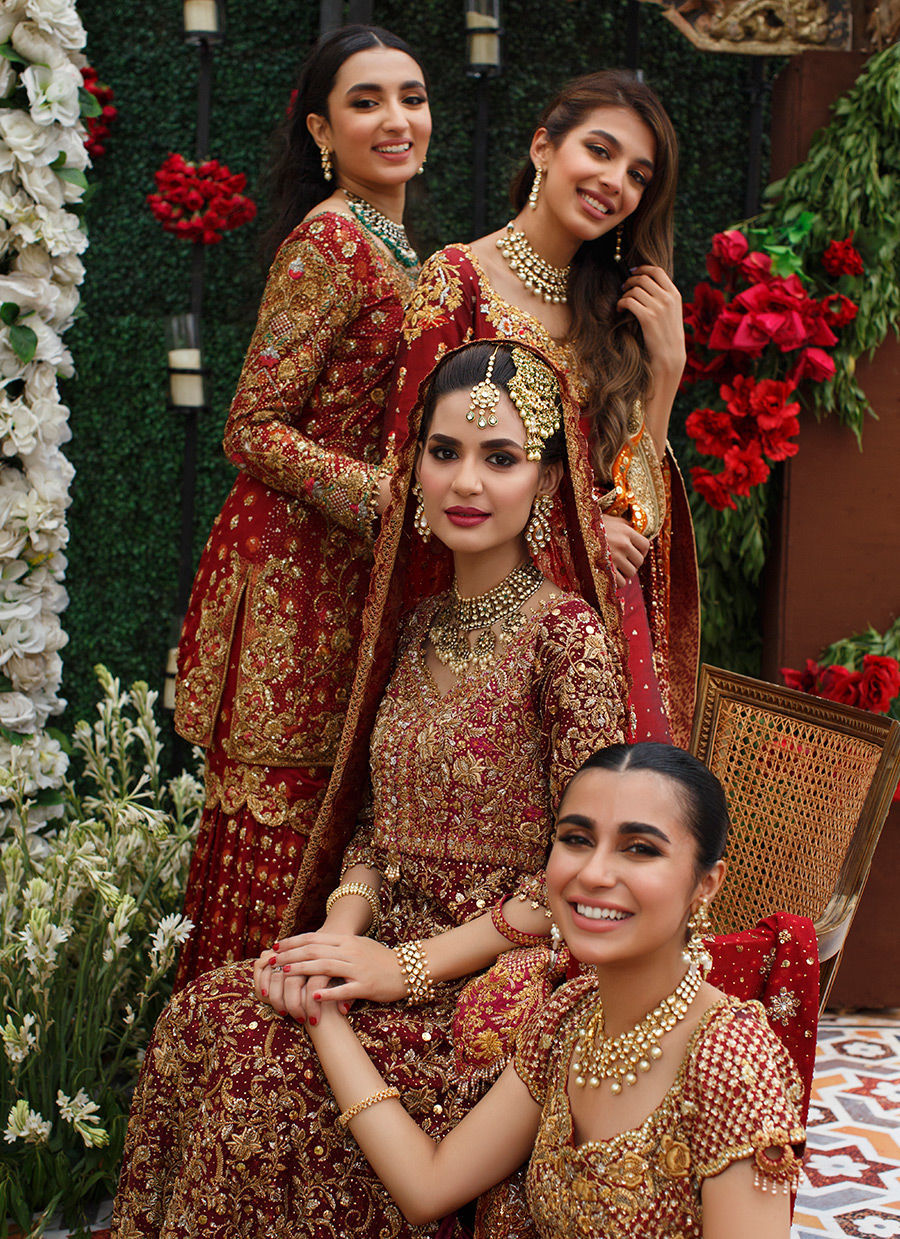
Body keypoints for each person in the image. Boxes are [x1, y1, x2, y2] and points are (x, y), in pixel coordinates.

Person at [110, 341, 633, 1238]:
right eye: (445, 451)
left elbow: (587, 871)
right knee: (205, 1014)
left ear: (548, 480)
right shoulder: (417, 625)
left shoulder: (567, 640)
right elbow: (374, 833)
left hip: (496, 984)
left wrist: (410, 967)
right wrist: (337, 939)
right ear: (415, 465)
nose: (465, 480)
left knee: (262, 1068)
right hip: (383, 952)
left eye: (500, 457)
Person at [171, 24, 432, 986]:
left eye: (411, 97)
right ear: (322, 131)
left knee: (334, 829)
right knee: (282, 833)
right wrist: (389, 501)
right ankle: (231, 1042)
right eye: (367, 102)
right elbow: (253, 425)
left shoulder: (393, 245)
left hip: (343, 573)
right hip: (291, 585)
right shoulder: (330, 240)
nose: (396, 119)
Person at [302, 742, 807, 1239]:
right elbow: (428, 1185)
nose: (593, 873)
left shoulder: (731, 1062)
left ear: (706, 884)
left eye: (640, 848)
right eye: (577, 839)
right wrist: (320, 1006)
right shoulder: (570, 1018)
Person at [387, 69, 699, 747]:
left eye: (638, 175)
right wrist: (580, 532)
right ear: (543, 148)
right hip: (486, 619)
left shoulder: (613, 310)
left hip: (602, 616)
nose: (615, 182)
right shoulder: (458, 283)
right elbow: (409, 474)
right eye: (600, 150)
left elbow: (635, 518)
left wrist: (666, 373)